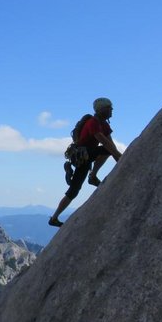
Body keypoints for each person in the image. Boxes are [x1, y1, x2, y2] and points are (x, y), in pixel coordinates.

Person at [49, 97, 123, 227]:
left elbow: (111, 144)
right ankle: (93, 176)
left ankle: (54, 218)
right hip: (83, 155)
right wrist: (120, 158)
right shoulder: (93, 123)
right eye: (109, 108)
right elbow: (106, 143)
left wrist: (119, 158)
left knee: (74, 190)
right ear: (101, 109)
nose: (111, 110)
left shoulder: (104, 125)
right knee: (74, 190)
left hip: (86, 156)